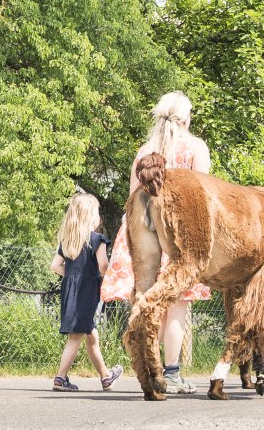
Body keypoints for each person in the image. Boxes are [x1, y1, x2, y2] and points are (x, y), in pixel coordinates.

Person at [101, 91, 211, 394]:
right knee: (177, 304)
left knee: (148, 302)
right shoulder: (195, 148)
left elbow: (133, 198)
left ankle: (150, 368)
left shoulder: (144, 151)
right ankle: (172, 373)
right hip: (179, 230)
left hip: (143, 230)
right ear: (186, 118)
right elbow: (202, 195)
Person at [50, 192, 124, 392]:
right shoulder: (97, 239)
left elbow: (55, 266)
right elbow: (103, 265)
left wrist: (73, 275)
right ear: (91, 216)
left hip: (69, 290)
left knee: (91, 336)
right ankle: (60, 377)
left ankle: (106, 376)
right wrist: (107, 278)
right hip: (87, 291)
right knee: (76, 336)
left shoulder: (67, 241)